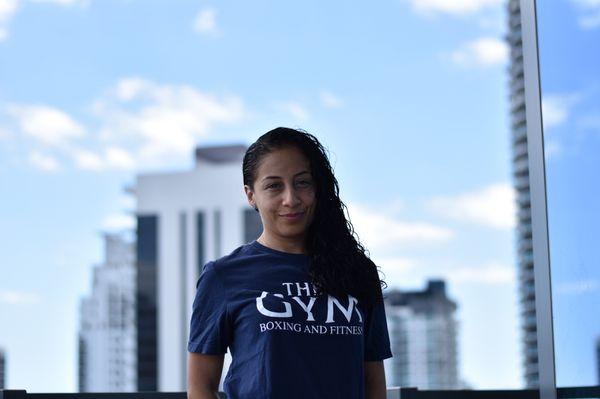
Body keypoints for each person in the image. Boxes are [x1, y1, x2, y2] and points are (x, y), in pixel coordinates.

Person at [187, 127, 392, 399]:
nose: (291, 199)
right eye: (274, 186)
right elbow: (201, 388)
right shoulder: (223, 276)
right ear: (251, 195)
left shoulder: (357, 272)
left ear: (318, 188)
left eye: (302, 182)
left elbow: (373, 384)